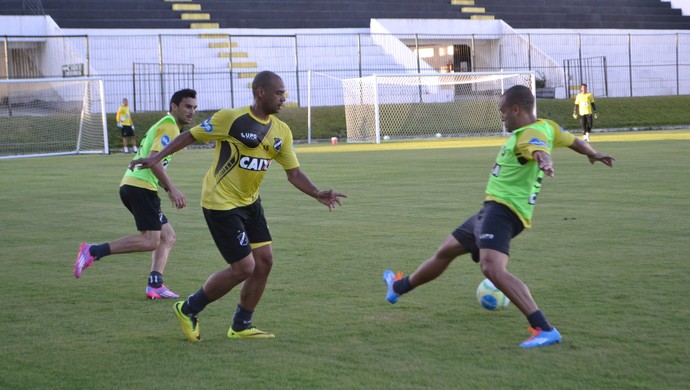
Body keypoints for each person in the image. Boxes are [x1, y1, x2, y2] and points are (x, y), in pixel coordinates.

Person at [383, 85, 615, 349]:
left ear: (516, 109)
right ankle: (399, 287)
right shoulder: (547, 126)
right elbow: (573, 141)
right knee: (445, 251)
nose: (501, 116)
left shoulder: (530, 134)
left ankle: (544, 328)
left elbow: (538, 150)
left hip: (504, 212)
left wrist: (545, 161)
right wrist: (592, 153)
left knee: (491, 268)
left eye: (502, 111)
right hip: (490, 211)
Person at [129, 71, 346, 342]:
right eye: (279, 93)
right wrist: (156, 157)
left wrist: (316, 192)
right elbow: (191, 136)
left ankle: (241, 325)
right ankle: (188, 309)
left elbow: (293, 173)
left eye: (284, 93)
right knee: (244, 267)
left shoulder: (281, 131)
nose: (284, 98)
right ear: (260, 92)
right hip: (220, 203)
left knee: (264, 262)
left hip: (250, 202)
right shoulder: (230, 118)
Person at [74, 89, 198, 301]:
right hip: (140, 187)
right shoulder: (169, 125)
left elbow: (154, 161)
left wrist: (167, 188)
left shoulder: (168, 125)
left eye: (195, 107)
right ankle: (93, 251)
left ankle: (155, 285)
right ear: (174, 106)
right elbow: (154, 160)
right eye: (188, 106)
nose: (192, 112)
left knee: (167, 237)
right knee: (151, 240)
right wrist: (172, 189)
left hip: (136, 185)